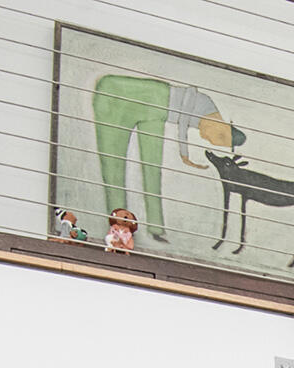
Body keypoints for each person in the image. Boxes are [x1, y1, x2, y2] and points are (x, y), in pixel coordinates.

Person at [87, 72, 222, 243]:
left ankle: (152, 227)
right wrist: (184, 153)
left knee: (147, 169)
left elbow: (185, 117)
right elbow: (186, 113)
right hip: (121, 94)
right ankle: (121, 228)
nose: (206, 137)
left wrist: (185, 153)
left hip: (159, 105)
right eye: (211, 137)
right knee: (115, 165)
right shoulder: (208, 109)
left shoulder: (208, 114)